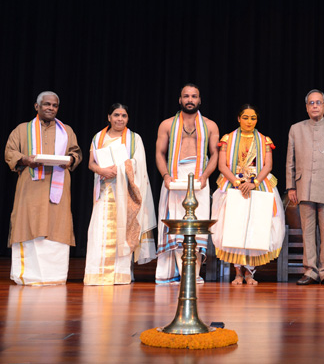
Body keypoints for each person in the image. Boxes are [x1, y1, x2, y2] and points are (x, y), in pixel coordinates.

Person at [5, 91, 82, 285]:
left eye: (54, 105)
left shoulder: (67, 131)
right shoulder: (22, 129)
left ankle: (54, 276)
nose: (51, 108)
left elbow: (76, 152)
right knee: (28, 224)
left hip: (58, 189)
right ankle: (28, 276)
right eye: (46, 104)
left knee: (57, 226)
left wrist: (71, 160)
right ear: (36, 106)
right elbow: (10, 152)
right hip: (30, 187)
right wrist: (25, 159)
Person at [211, 104, 285, 285]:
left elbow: (267, 166)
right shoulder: (228, 139)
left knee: (256, 226)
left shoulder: (264, 140)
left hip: (258, 184)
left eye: (253, 118)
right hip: (232, 184)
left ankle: (250, 273)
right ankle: (237, 272)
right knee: (234, 227)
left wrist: (253, 183)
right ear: (238, 118)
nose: (249, 121)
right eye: (245, 117)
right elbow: (222, 166)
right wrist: (238, 183)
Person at [84, 103, 157, 285]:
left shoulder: (134, 139)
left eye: (124, 116)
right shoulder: (99, 137)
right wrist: (102, 170)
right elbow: (91, 163)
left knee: (122, 232)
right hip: (104, 191)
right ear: (109, 117)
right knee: (99, 231)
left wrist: (121, 168)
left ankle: (120, 275)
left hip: (125, 194)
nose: (120, 119)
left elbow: (139, 164)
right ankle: (97, 275)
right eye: (116, 115)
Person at [155, 84, 219, 284]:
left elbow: (216, 154)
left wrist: (205, 176)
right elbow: (159, 153)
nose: (190, 100)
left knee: (197, 223)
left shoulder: (210, 125)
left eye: (194, 96)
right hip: (174, 177)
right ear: (180, 100)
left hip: (199, 176)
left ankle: (193, 274)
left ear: (199, 100)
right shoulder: (166, 124)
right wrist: (165, 176)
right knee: (175, 222)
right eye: (186, 96)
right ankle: (178, 274)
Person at [286, 89, 324, 286]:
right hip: (303, 186)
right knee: (308, 231)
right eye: (311, 103)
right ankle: (310, 270)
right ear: (306, 107)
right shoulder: (296, 129)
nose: (314, 106)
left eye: (318, 102)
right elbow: (290, 161)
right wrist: (291, 187)